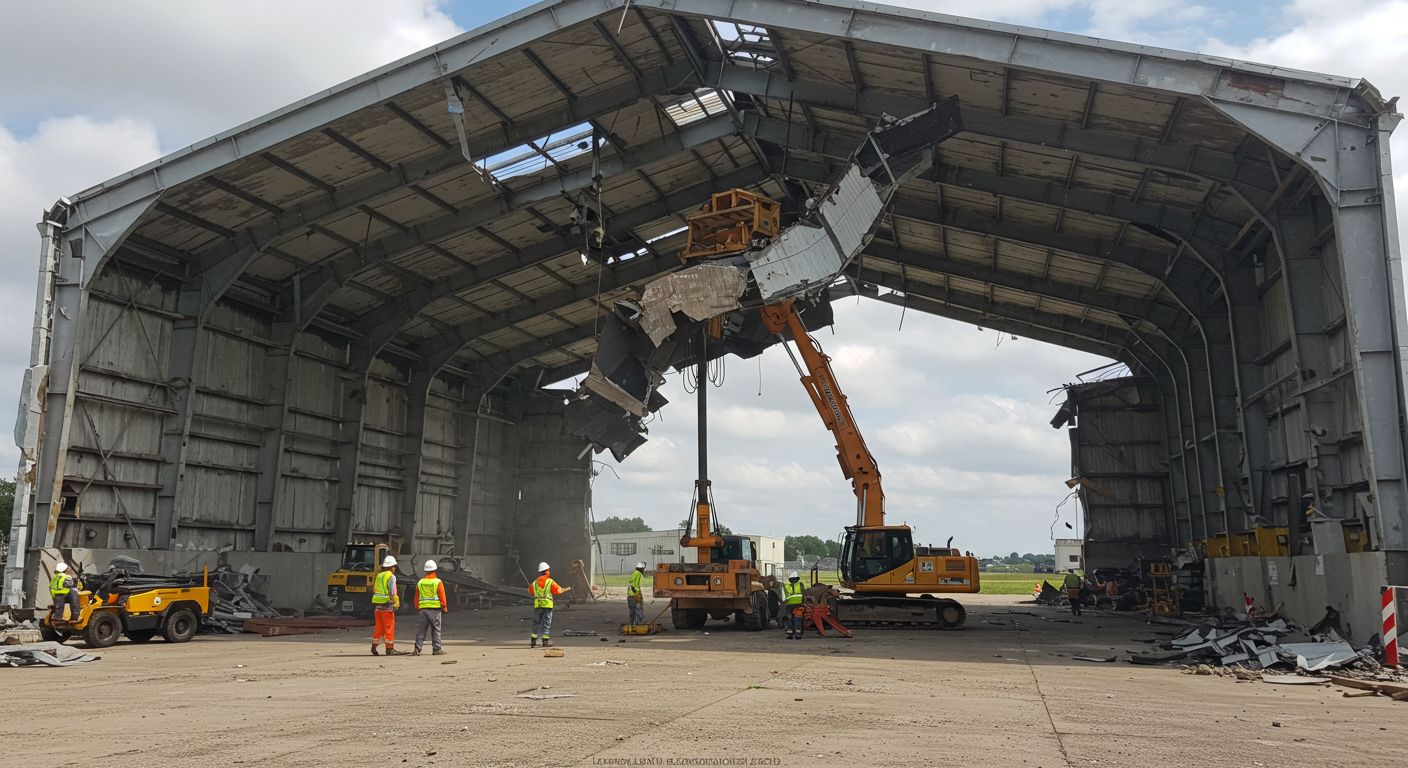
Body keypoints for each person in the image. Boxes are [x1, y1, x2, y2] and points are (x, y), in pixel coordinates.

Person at [529, 561, 570, 648]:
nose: (549, 572)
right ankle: (545, 642)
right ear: (546, 571)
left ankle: (533, 642)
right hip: (547, 606)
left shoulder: (535, 582)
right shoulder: (550, 581)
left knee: (536, 623)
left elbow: (530, 591)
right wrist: (566, 589)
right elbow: (558, 591)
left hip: (538, 605)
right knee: (546, 623)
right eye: (548, 570)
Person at [414, 559, 448, 656]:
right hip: (435, 610)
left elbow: (416, 596)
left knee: (422, 630)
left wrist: (417, 606)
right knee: (436, 629)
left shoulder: (420, 582)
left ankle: (417, 648)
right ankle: (436, 649)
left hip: (423, 610)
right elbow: (442, 595)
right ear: (435, 570)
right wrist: (444, 606)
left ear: (425, 571)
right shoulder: (438, 582)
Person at [370, 555, 402, 656]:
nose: (395, 569)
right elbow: (392, 591)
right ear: (391, 567)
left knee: (379, 627)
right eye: (394, 566)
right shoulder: (391, 576)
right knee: (389, 627)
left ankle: (374, 647)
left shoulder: (379, 575)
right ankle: (390, 649)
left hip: (378, 606)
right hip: (387, 606)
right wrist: (396, 602)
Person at [783, 571, 805, 639]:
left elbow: (784, 597)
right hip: (798, 605)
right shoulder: (800, 585)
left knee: (789, 620)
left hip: (789, 606)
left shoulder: (786, 586)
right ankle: (797, 634)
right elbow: (803, 594)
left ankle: (790, 634)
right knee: (797, 620)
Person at [626, 561, 647, 626]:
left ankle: (632, 625)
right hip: (636, 595)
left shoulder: (633, 573)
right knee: (639, 611)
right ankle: (640, 626)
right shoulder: (639, 574)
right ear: (641, 569)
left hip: (630, 596)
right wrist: (637, 594)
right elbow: (639, 584)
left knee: (632, 612)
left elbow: (632, 584)